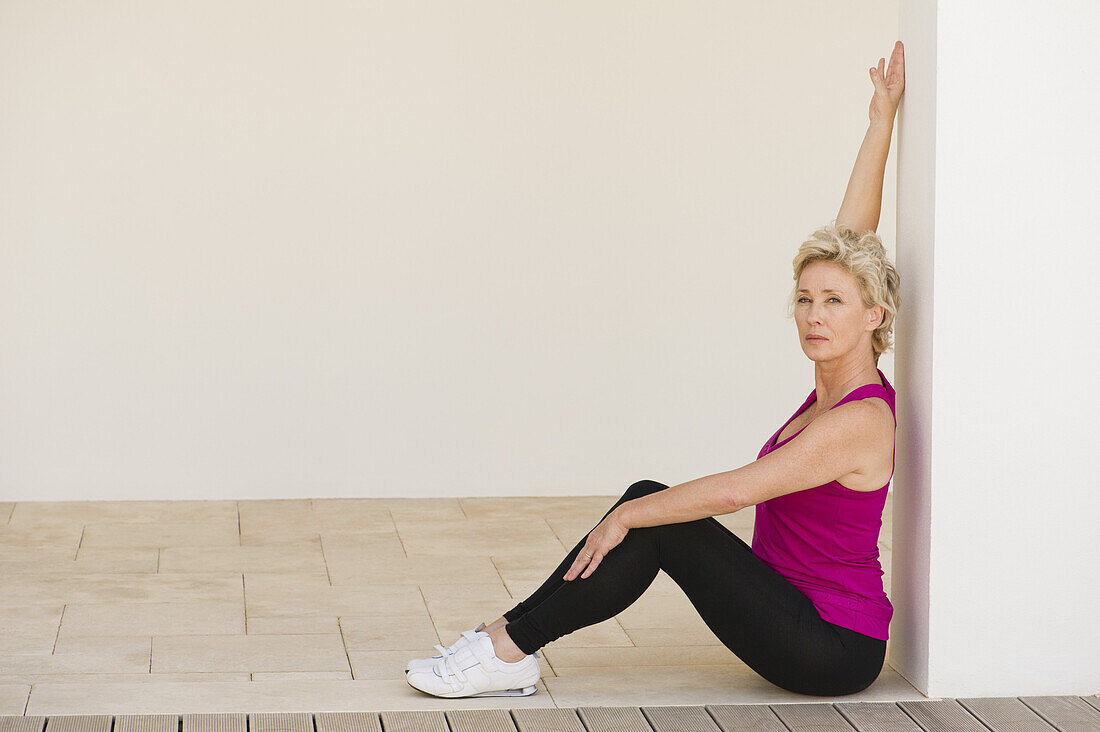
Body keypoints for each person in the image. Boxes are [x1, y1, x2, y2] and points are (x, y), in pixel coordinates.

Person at [405, 40, 906, 699]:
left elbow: (738, 492)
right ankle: (505, 638)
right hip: (788, 604)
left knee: (655, 517)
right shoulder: (834, 387)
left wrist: (629, 517)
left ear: (873, 316)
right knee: (649, 502)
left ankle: (506, 649)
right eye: (805, 299)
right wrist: (880, 121)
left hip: (833, 648)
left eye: (833, 303)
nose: (814, 313)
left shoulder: (860, 420)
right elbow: (854, 241)